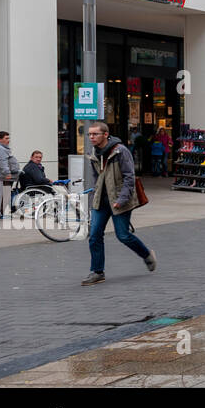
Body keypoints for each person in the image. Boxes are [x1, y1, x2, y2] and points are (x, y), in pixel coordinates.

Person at [83, 120, 156, 285]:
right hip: (101, 201)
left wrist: (121, 199)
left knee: (123, 236)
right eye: (90, 134)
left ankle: (146, 255)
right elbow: (96, 177)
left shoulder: (120, 151)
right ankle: (97, 271)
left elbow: (129, 177)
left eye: (95, 134)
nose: (91, 137)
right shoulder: (93, 153)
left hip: (119, 200)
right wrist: (96, 192)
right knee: (94, 236)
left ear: (105, 135)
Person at [0, 131, 18, 217]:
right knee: (1, 196)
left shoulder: (1, 148)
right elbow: (2, 162)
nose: (8, 140)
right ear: (0, 139)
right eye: (6, 138)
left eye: (9, 138)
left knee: (4, 195)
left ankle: (1, 213)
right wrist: (7, 173)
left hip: (1, 177)